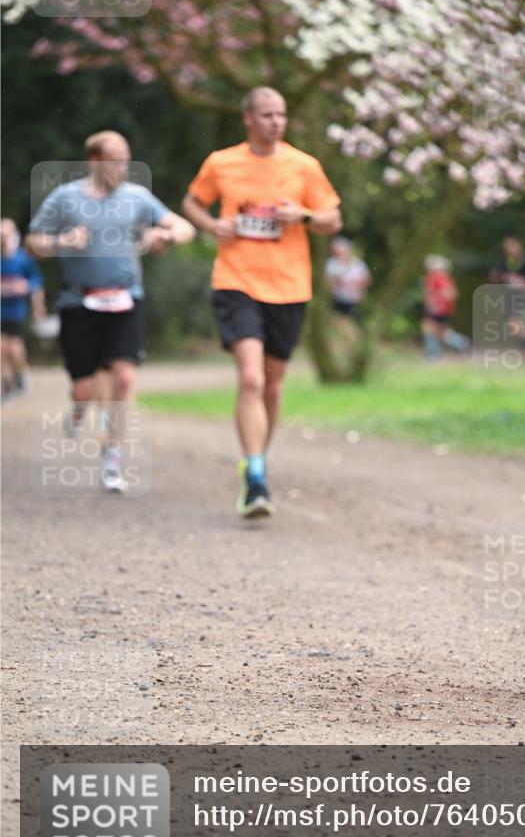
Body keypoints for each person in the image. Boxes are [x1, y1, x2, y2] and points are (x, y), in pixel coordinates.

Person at [182, 86, 342, 519]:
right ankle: (255, 477)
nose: (277, 122)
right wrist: (212, 224)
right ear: (248, 118)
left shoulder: (303, 166)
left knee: (272, 385)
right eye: (268, 115)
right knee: (251, 378)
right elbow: (192, 202)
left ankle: (257, 458)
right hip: (236, 281)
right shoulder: (222, 162)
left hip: (289, 287)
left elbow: (333, 219)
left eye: (282, 115)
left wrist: (304, 217)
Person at [27, 130, 195, 491]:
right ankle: (79, 406)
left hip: (125, 298)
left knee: (123, 377)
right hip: (78, 302)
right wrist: (61, 242)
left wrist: (162, 236)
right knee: (84, 388)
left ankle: (113, 456)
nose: (122, 166)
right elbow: (34, 241)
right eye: (114, 159)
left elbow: (185, 227)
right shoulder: (65, 197)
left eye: (126, 159)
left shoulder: (137, 197)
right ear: (94, 161)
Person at [1, 217, 46, 400]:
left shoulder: (23, 258)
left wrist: (37, 306)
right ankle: (7, 385)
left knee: (14, 349)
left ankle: (20, 373)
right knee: (2, 348)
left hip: (16, 310)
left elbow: (36, 283)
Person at [490, 235, 525, 352]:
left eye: (512, 245)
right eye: (507, 246)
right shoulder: (505, 262)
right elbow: (495, 276)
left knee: (516, 324)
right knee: (514, 326)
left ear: (519, 245)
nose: (509, 248)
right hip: (510, 298)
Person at [420, 255, 467, 359]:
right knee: (441, 332)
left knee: (429, 329)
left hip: (437, 309)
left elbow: (449, 293)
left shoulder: (437, 277)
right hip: (442, 309)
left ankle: (432, 356)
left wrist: (436, 301)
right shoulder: (444, 277)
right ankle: (461, 342)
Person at [325, 235, 372, 317]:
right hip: (337, 299)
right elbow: (328, 282)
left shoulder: (358, 264)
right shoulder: (331, 263)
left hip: (355, 300)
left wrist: (359, 284)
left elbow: (368, 280)